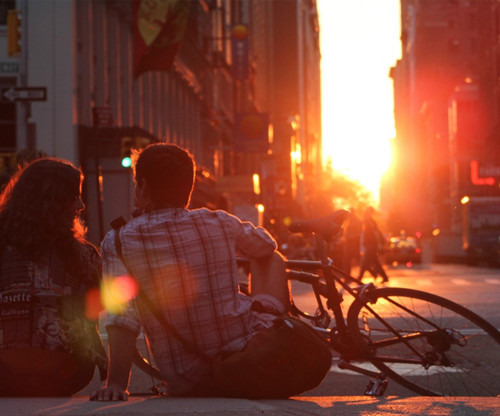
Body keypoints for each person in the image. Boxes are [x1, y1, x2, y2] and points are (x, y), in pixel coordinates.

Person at [91, 143, 295, 401]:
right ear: (189, 189)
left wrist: (116, 383)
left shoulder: (118, 241)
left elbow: (122, 315)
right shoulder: (219, 220)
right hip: (249, 355)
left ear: (141, 186)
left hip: (185, 377)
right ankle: (278, 333)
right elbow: (266, 246)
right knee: (272, 258)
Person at [0, 158, 107, 396]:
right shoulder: (85, 255)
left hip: (3, 377)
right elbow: (94, 315)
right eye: (74, 197)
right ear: (54, 202)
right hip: (67, 374)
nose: (80, 205)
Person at [358, 206, 389, 283]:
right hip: (371, 245)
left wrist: (379, 243)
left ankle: (360, 278)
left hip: (371, 245)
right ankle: (382, 276)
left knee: (365, 262)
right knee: (374, 262)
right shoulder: (369, 221)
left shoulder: (370, 221)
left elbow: (375, 233)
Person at [341, 208, 362, 276]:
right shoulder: (348, 221)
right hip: (348, 245)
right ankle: (347, 277)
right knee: (346, 261)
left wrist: (350, 237)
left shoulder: (357, 221)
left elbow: (359, 233)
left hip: (354, 244)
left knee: (359, 261)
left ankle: (373, 273)